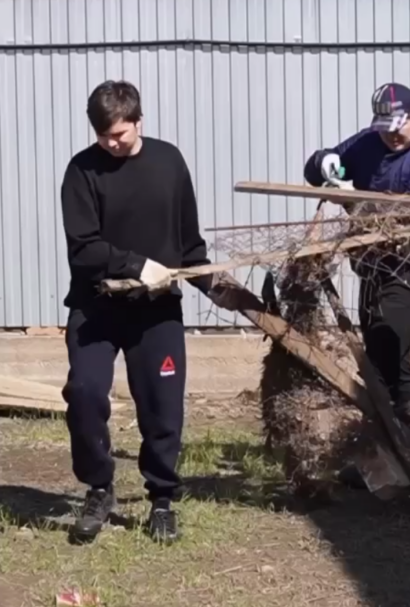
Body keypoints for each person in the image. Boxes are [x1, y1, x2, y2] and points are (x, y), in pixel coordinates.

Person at [60, 80, 241, 544]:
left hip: (156, 310)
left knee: (163, 407)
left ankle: (162, 498)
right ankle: (99, 488)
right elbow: (83, 249)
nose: (111, 143)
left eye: (119, 134)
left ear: (139, 121)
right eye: (103, 136)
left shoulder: (168, 162)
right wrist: (137, 265)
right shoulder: (81, 171)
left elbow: (189, 242)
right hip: (96, 307)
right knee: (84, 393)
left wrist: (214, 286)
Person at [303, 82, 410, 435]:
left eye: (398, 128)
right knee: (389, 362)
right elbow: (316, 170)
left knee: (383, 346)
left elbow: (405, 220)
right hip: (374, 269)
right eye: (384, 129)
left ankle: (401, 433)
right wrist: (323, 162)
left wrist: (352, 198)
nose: (391, 136)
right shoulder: (368, 142)